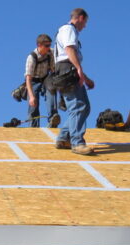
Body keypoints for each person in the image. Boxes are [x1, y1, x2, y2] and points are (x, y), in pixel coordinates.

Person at [54, 8, 94, 155]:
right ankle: (77, 143)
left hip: (66, 70)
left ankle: (64, 138)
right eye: (85, 22)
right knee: (78, 107)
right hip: (68, 70)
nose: (85, 26)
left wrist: (86, 78)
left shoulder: (67, 31)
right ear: (81, 18)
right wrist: (79, 70)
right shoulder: (68, 29)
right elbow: (69, 50)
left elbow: (69, 57)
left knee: (82, 107)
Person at [25, 34, 60, 128]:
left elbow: (53, 70)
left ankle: (53, 119)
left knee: (51, 91)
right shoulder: (32, 57)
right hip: (34, 81)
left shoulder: (50, 53)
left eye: (49, 45)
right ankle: (33, 127)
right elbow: (28, 79)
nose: (49, 48)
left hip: (45, 78)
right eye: (46, 46)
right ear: (39, 45)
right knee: (33, 105)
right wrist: (31, 96)